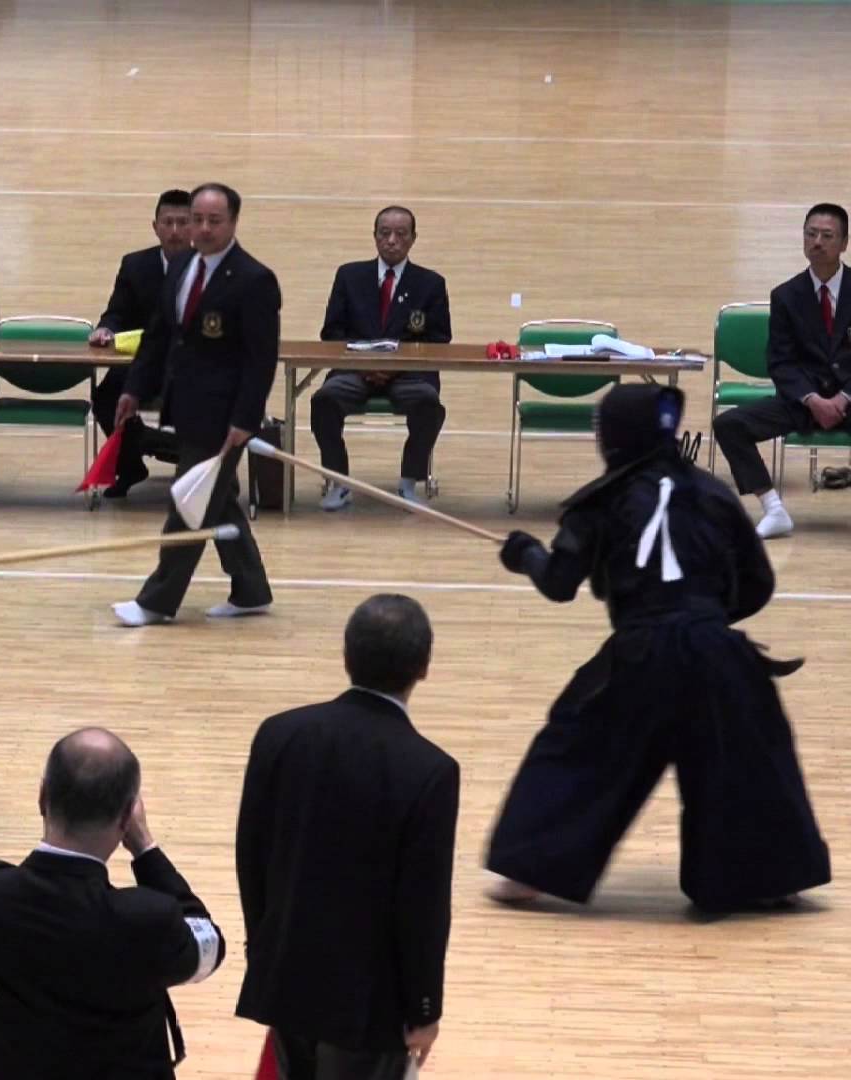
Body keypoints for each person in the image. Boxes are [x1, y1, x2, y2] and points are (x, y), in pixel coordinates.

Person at [491, 384, 831, 912]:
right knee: (745, 754)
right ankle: (768, 877)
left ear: (618, 438)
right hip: (716, 648)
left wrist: (525, 554)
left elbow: (559, 582)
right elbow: (758, 582)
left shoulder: (600, 500)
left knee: (579, 747)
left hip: (640, 651)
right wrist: (708, 621)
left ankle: (529, 868)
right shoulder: (714, 493)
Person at [235, 594, 457, 1079]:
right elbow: (423, 904)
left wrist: (264, 949)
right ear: (424, 667)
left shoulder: (279, 734)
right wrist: (424, 1007)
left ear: (346, 656)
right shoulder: (431, 770)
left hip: (287, 976)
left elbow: (250, 855)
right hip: (369, 1006)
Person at [0, 728, 222, 1079]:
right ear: (126, 818)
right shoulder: (147, 919)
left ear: (43, 796)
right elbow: (209, 948)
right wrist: (145, 849)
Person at [111, 182, 278, 625]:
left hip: (225, 418)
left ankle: (157, 602)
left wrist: (246, 419)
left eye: (213, 221)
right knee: (216, 500)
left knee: (188, 502)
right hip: (182, 406)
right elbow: (160, 335)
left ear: (233, 223)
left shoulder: (254, 280)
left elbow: (261, 360)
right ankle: (251, 590)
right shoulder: (183, 265)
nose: (202, 229)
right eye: (196, 220)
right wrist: (133, 389)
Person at [714, 202, 851, 539]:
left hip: (849, 400)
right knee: (729, 424)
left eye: (827, 235)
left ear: (844, 243)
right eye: (810, 234)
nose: (817, 241)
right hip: (804, 402)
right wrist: (811, 398)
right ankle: (774, 510)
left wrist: (844, 396)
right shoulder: (786, 295)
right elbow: (781, 360)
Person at [311, 206, 452, 509]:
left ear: (413, 239)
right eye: (384, 233)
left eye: (400, 234)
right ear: (374, 237)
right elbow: (332, 333)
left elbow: (439, 340)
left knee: (429, 404)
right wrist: (365, 366)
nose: (392, 240)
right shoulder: (349, 276)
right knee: (323, 400)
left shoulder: (431, 284)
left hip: (407, 376)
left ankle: (408, 483)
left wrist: (393, 368)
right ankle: (340, 482)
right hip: (355, 372)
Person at [88, 189, 195, 498]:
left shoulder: (210, 267)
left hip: (192, 369)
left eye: (182, 223)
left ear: (194, 226)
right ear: (155, 226)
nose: (175, 232)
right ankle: (131, 464)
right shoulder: (135, 265)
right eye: (168, 223)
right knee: (107, 395)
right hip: (146, 366)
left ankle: (201, 469)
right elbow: (116, 313)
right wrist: (105, 330)